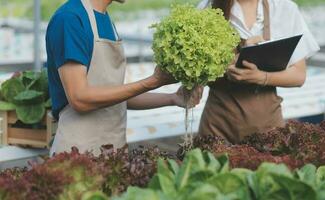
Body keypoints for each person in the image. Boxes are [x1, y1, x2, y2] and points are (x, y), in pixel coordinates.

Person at [46, 0, 203, 156]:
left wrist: (172, 98)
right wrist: (153, 81)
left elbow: (114, 97)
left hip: (112, 149)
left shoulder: (105, 19)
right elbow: (80, 99)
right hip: (79, 153)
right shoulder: (70, 19)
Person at [198, 0, 320, 143]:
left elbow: (298, 76)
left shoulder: (284, 9)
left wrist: (262, 77)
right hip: (217, 127)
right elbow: (196, 72)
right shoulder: (208, 7)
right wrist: (230, 64)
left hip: (268, 128)